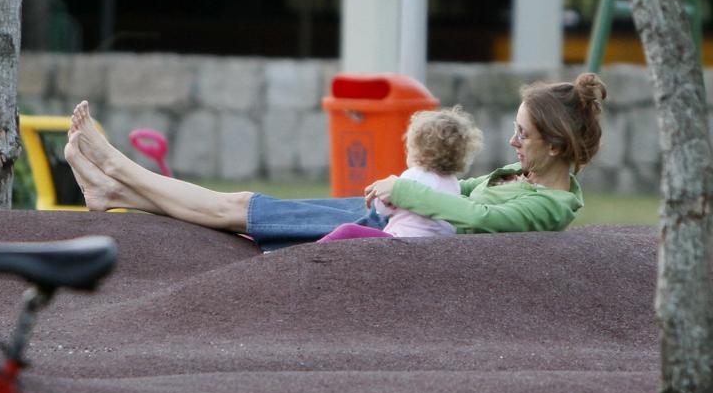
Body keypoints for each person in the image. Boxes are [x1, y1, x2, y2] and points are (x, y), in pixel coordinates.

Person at [64, 72, 606, 251]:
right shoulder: (524, 175)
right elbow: (462, 195)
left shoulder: (550, 205)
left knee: (239, 210)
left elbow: (482, 219)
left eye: (524, 135)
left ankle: (117, 168)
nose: (513, 143)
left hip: (386, 228)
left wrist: (402, 185)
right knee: (240, 206)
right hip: (388, 217)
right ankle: (116, 192)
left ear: (556, 146)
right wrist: (416, 186)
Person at [317, 106, 483, 242]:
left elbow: (383, 210)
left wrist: (380, 200)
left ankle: (311, 253)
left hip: (401, 243)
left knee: (348, 230)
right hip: (435, 247)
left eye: (408, 149)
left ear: (419, 154)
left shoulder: (414, 176)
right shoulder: (453, 183)